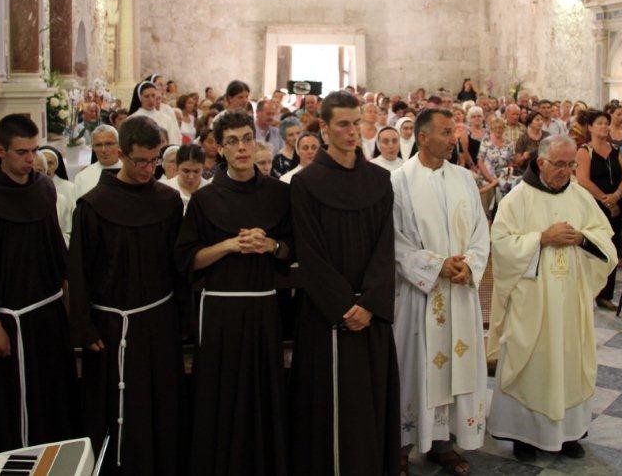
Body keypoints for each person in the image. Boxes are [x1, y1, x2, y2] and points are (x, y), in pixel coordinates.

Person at [289, 90, 400, 476]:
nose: (352, 132)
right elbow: (310, 253)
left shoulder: (380, 180)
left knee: (370, 402)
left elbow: (386, 247)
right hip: (326, 317)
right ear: (324, 128)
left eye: (356, 124)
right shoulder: (305, 183)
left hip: (370, 316)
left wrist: (368, 303)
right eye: (343, 125)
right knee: (327, 409)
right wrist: (343, 306)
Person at [0, 114, 76, 469]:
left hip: (48, 314)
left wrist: (68, 303)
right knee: (10, 404)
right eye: (22, 152)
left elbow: (55, 249)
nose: (30, 159)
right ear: (0, 151)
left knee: (53, 396)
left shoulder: (43, 188)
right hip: (8, 321)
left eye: (34, 150)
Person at [177, 109, 293, 475]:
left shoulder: (280, 194)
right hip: (219, 314)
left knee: (263, 393)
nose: (241, 148)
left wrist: (271, 246)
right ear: (219, 148)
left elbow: (293, 252)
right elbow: (189, 260)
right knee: (221, 395)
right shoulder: (205, 199)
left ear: (255, 143)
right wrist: (228, 246)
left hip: (264, 310)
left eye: (246, 139)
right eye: (232, 142)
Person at [67, 116, 184, 474]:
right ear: (121, 155)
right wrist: (84, 326)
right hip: (111, 326)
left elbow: (176, 264)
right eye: (140, 161)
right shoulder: (93, 205)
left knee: (160, 403)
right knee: (116, 408)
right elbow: (79, 270)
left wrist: (180, 318)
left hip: (159, 321)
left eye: (154, 160)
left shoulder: (168, 201)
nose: (149, 169)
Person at [487, 136, 617, 460]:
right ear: (541, 162)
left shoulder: (580, 196)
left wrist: (582, 238)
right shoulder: (517, 199)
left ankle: (569, 434)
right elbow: (500, 246)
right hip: (532, 302)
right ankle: (525, 436)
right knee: (532, 365)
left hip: (571, 300)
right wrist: (542, 238)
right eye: (559, 164)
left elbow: (606, 241)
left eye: (570, 164)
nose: (566, 171)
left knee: (569, 362)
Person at [391, 109, 489, 475]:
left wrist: (470, 265)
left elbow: (480, 229)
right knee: (414, 369)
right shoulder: (399, 181)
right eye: (446, 132)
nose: (454, 139)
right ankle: (402, 447)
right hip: (420, 296)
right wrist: (435, 266)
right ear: (423, 137)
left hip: (460, 293)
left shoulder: (464, 178)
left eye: (454, 132)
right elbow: (395, 241)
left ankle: (444, 444)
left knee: (457, 366)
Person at [575, 110, 622, 312]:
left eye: (606, 123)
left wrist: (617, 195)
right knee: (594, 247)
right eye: (600, 123)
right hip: (594, 205)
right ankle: (589, 291)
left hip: (615, 204)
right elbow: (583, 180)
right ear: (590, 127)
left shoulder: (615, 150)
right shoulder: (584, 151)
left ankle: (606, 294)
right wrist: (606, 200)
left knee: (611, 247)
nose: (604, 126)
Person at [73, 125, 123, 199]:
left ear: (119, 145)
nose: (103, 150)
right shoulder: (82, 177)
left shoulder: (130, 172)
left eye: (109, 144)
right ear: (93, 148)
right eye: (98, 145)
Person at [129, 80, 181, 145]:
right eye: (146, 96)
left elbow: (174, 142)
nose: (150, 100)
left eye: (153, 96)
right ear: (140, 97)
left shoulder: (166, 119)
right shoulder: (132, 120)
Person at [162, 144, 210, 209]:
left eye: (196, 171)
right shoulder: (165, 190)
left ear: (203, 168)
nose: (191, 177)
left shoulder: (211, 192)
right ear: (177, 167)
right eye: (186, 171)